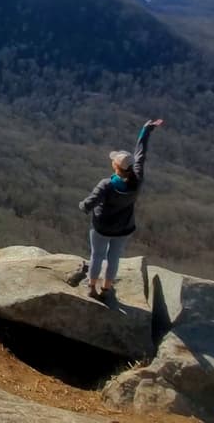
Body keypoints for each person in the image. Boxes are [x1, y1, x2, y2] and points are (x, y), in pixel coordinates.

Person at [68, 119, 163, 300]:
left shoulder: (106, 185)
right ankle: (106, 289)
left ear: (116, 166)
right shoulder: (137, 181)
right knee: (114, 258)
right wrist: (146, 131)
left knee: (97, 256)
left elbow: (89, 204)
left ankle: (92, 287)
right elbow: (141, 153)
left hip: (102, 228)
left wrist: (82, 206)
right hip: (124, 228)